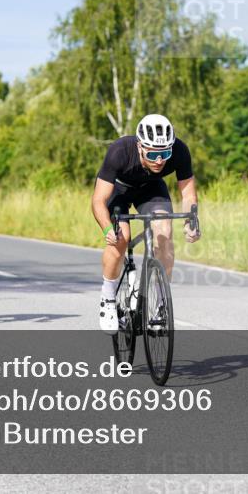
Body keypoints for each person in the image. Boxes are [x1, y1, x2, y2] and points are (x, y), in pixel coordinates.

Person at [90, 113, 200, 334]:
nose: (159, 160)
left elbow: (188, 194)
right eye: (152, 154)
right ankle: (108, 297)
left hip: (151, 189)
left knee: (165, 231)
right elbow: (98, 200)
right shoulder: (120, 151)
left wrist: (192, 221)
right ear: (140, 146)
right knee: (122, 238)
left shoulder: (179, 151)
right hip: (118, 191)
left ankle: (159, 302)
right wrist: (107, 229)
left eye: (164, 154)